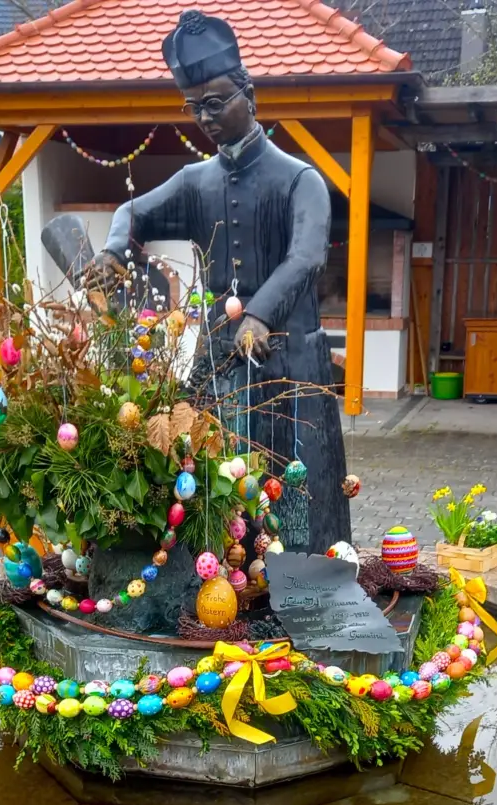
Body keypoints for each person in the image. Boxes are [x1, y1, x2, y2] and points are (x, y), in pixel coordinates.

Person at [82, 9, 351, 552]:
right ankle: (222, 583)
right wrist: (113, 251)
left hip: (292, 363)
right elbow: (132, 212)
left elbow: (306, 257)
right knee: (219, 486)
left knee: (299, 494)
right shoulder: (195, 182)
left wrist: (259, 314)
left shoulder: (300, 179)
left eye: (215, 102)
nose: (204, 117)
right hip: (219, 363)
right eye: (194, 106)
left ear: (249, 95)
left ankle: (310, 582)